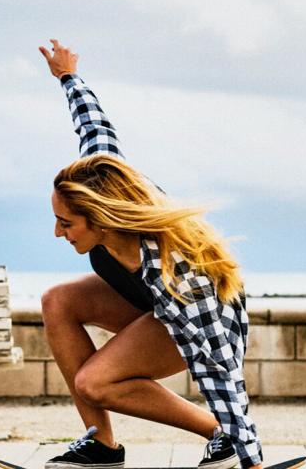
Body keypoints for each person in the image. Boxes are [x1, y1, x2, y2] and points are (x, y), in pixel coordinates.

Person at [36, 39, 263, 469]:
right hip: (152, 304)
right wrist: (68, 77)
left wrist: (248, 455)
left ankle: (223, 440)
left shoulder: (177, 270)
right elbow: (94, 129)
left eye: (66, 224)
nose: (57, 232)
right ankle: (100, 446)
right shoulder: (103, 177)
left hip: (200, 317)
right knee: (57, 300)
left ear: (101, 220)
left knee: (94, 382)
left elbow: (220, 367)